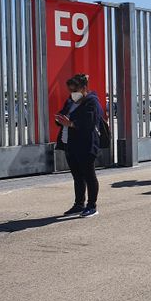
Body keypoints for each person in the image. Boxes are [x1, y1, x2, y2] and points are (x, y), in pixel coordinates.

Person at [55, 74, 103, 218]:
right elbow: (63, 114)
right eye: (70, 90)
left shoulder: (92, 102)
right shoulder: (71, 101)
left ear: (83, 88)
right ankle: (79, 204)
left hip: (86, 144)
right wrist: (60, 119)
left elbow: (89, 123)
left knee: (89, 175)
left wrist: (71, 123)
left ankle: (92, 205)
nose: (72, 93)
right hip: (69, 142)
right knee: (77, 176)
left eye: (74, 90)